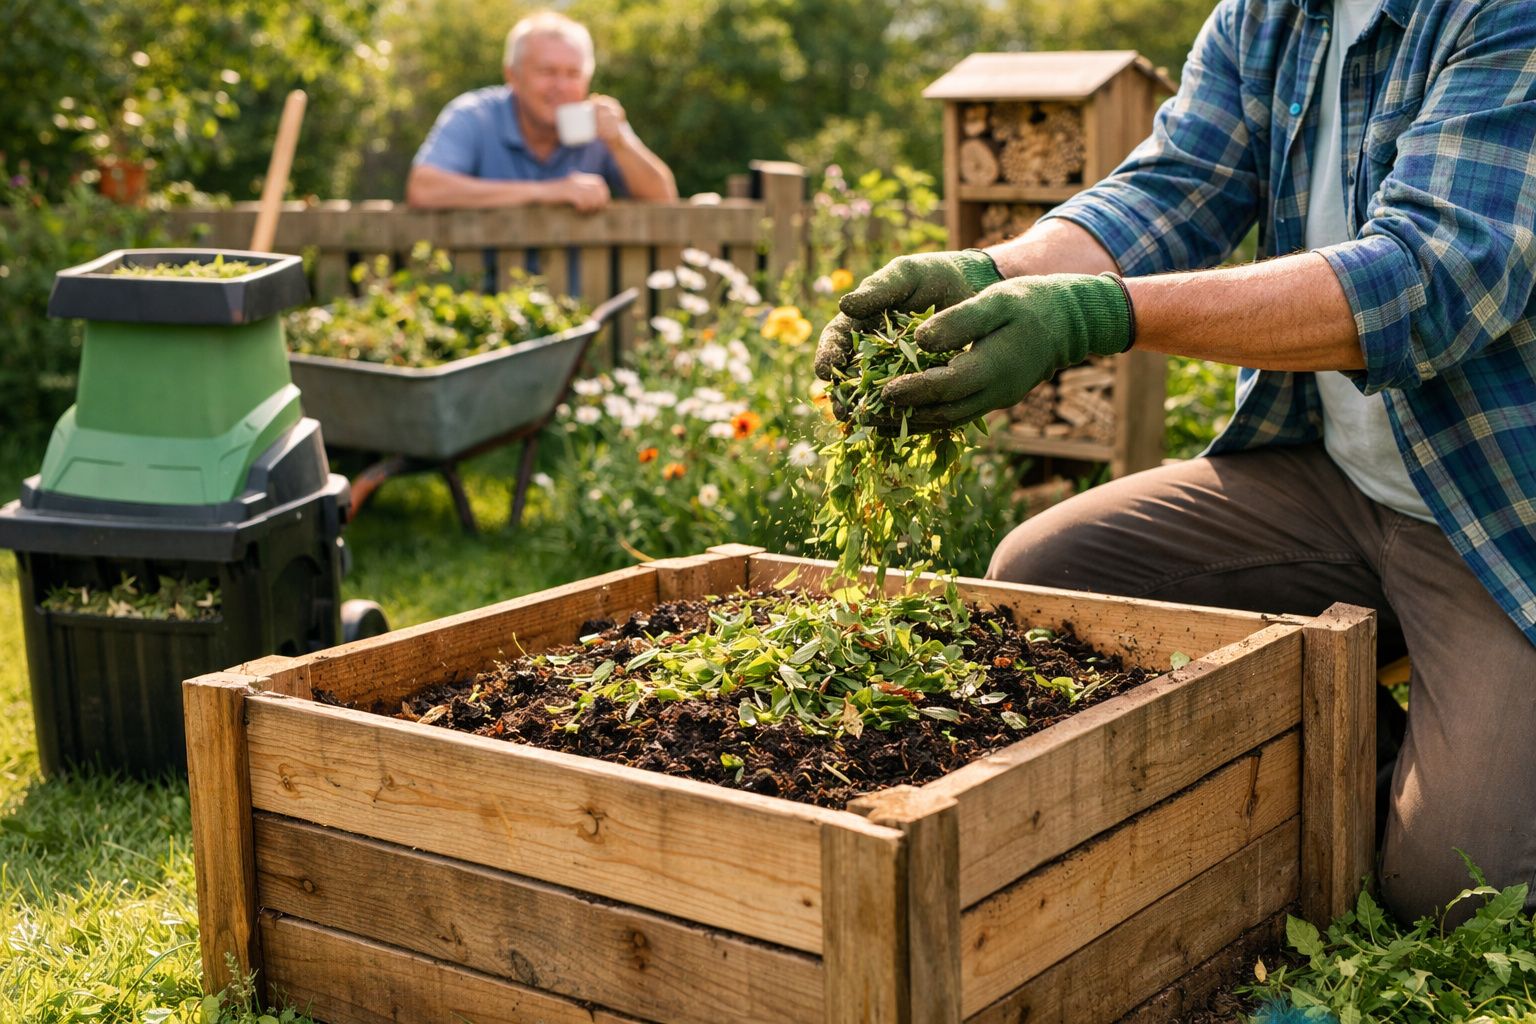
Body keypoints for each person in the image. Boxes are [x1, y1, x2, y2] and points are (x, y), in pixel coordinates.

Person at [816, 0, 1535, 927]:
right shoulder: (1271, 17)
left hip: (1497, 514)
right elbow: (1169, 188)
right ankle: (1396, 743)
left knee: (1449, 892)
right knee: (1048, 580)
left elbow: (1427, 277)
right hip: (1334, 480)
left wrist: (1094, 315)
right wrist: (997, 275)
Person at [406, 10, 677, 211]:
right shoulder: (473, 115)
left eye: (573, 74)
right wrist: (549, 192)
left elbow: (664, 199)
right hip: (488, 288)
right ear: (512, 75)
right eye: (547, 72)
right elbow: (424, 189)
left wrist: (620, 144)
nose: (560, 86)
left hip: (588, 289)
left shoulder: (599, 122)